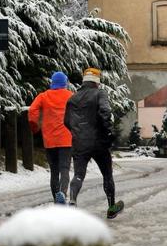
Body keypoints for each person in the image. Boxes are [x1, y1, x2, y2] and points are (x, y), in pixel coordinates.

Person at [64, 67, 124, 220]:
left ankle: (72, 201)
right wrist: (109, 131)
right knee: (107, 175)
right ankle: (111, 207)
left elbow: (66, 122)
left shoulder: (72, 98)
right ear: (97, 82)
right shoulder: (100, 93)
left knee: (78, 174)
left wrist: (78, 133)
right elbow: (105, 113)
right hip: (99, 142)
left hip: (79, 143)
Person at [28, 71, 73, 204]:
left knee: (54, 170)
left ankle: (56, 198)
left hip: (50, 140)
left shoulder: (44, 96)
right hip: (66, 139)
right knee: (65, 169)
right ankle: (63, 194)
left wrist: (34, 127)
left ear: (52, 82)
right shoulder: (71, 96)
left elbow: (32, 111)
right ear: (65, 83)